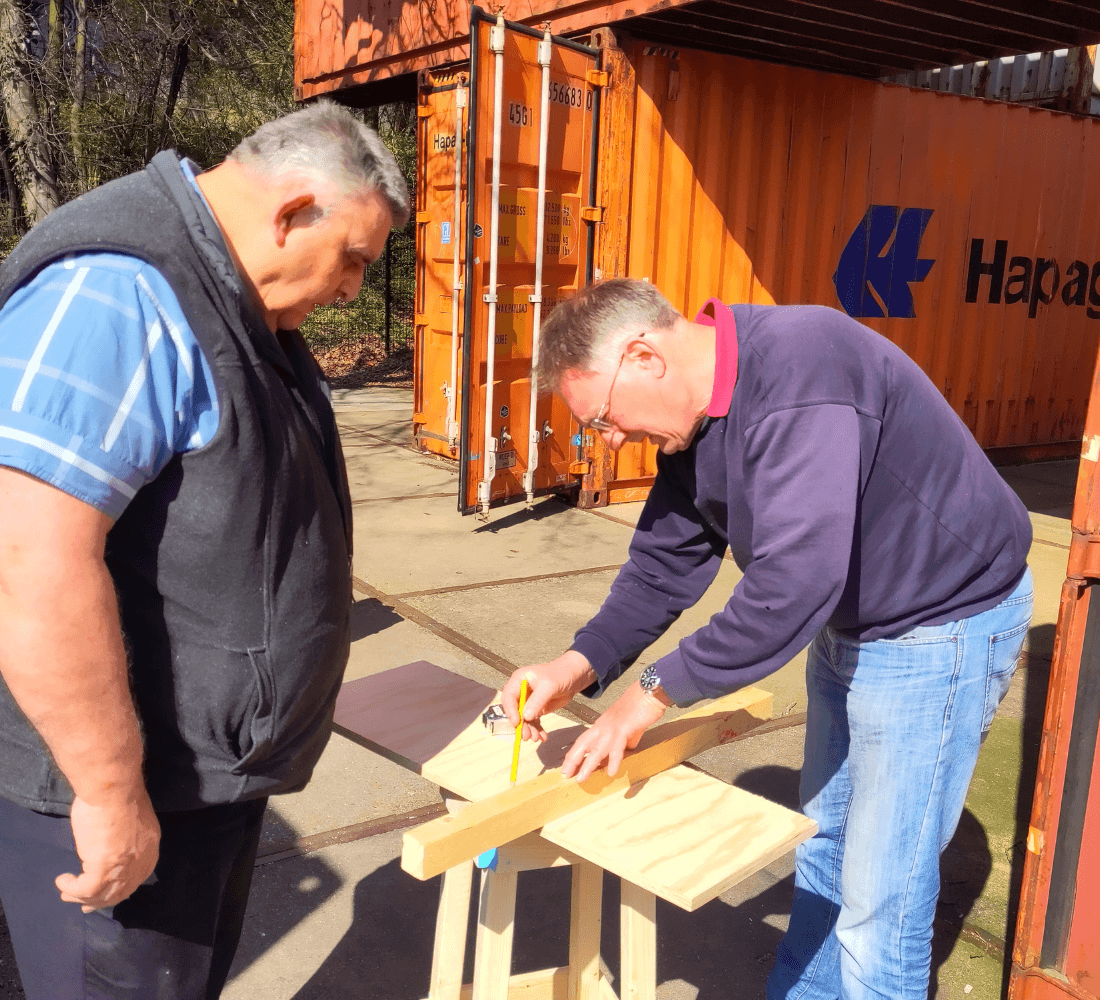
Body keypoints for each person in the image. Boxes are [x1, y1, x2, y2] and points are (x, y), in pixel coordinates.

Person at [502, 278, 1033, 1000]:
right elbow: (664, 564)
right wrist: (579, 662)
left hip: (939, 625)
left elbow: (794, 582)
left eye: (600, 417)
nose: (612, 438)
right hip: (854, 620)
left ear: (644, 356)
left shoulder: (802, 371)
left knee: (883, 900)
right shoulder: (694, 424)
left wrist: (649, 696)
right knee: (822, 847)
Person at [0, 101, 408, 999]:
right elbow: (29, 563)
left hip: (197, 783)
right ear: (294, 210)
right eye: (353, 259)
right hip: (113, 794)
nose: (350, 289)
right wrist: (108, 794)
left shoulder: (234, 303)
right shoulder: (120, 292)